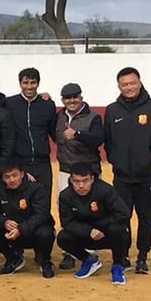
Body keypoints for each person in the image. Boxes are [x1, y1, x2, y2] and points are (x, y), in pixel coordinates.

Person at [101, 66, 151, 275]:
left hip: (147, 176)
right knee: (121, 218)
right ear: (119, 86)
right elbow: (108, 140)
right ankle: (123, 256)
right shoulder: (112, 110)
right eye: (124, 84)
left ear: (140, 83)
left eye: (132, 83)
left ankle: (143, 256)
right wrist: (114, 159)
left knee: (146, 217)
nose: (129, 87)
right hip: (122, 177)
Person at [54, 82, 105, 270]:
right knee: (66, 210)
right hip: (66, 170)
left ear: (81, 98)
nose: (72, 101)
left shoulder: (93, 117)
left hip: (88, 173)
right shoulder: (59, 116)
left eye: (75, 97)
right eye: (68, 98)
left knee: (91, 209)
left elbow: (98, 139)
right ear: (63, 100)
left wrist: (78, 134)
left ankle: (91, 250)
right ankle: (70, 252)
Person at [56, 162, 132, 285]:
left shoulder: (105, 190)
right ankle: (89, 260)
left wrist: (99, 227)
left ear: (92, 178)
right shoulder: (65, 196)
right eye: (76, 181)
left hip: (106, 234)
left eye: (85, 181)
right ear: (71, 180)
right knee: (63, 237)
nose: (81, 185)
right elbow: (67, 222)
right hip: (86, 235)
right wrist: (88, 231)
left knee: (118, 229)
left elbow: (123, 213)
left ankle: (118, 265)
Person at [0, 159, 56, 278]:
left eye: (15, 175)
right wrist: (4, 222)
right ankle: (13, 258)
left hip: (33, 233)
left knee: (46, 232)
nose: (11, 180)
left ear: (22, 174)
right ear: (2, 178)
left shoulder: (36, 188)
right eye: (7, 177)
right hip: (11, 234)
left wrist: (21, 229)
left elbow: (41, 215)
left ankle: (45, 262)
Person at [7, 67, 59, 214]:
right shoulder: (9, 103)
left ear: (38, 83)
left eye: (33, 82)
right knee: (21, 204)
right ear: (20, 84)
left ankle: (45, 234)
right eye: (26, 83)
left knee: (43, 203)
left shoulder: (48, 104)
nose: (29, 86)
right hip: (20, 163)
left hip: (42, 163)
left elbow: (53, 131)